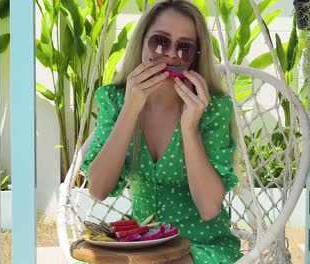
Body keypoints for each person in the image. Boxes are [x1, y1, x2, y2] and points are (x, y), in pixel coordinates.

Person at [82, 0, 243, 262]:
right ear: (142, 42)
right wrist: (131, 109)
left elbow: (209, 208)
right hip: (143, 247)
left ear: (195, 57)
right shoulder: (115, 100)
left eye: (184, 47)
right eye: (159, 41)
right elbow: (98, 189)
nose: (170, 54)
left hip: (200, 246)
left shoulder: (212, 109)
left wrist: (190, 128)